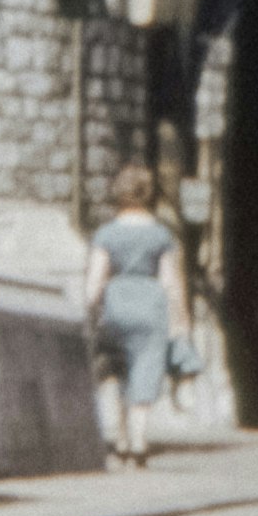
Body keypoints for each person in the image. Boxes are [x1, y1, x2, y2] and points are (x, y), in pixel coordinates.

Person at [86, 164, 196, 467]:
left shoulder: (106, 234)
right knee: (145, 371)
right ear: (148, 195)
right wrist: (182, 322)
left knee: (118, 372)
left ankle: (119, 440)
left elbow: (94, 281)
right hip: (151, 306)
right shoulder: (161, 236)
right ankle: (139, 442)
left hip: (116, 304)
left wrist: (92, 309)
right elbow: (172, 284)